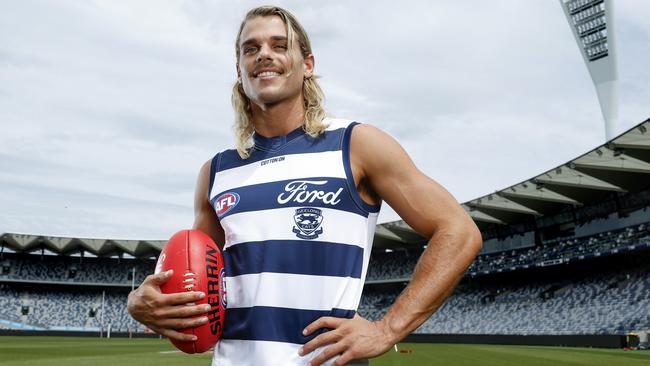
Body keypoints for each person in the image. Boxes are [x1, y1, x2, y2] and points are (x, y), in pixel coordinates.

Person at [127, 5, 482, 366]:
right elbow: (194, 281)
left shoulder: (356, 145)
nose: (264, 53)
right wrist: (143, 301)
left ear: (307, 64)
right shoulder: (216, 171)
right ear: (239, 69)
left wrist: (386, 329)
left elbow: (458, 230)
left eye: (279, 45)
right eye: (251, 48)